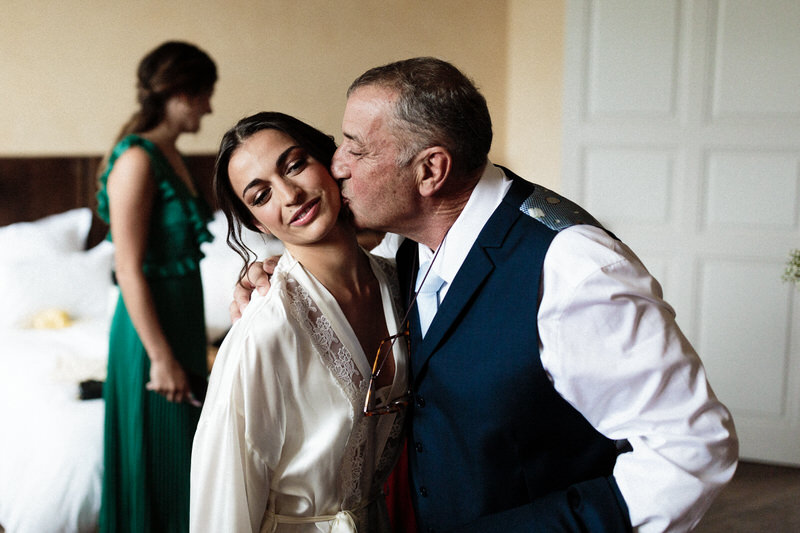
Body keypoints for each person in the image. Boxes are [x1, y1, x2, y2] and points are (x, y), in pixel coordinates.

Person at [234, 57, 739, 532]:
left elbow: (694, 449)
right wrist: (279, 275)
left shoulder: (572, 271)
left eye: (355, 148)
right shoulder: (412, 241)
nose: (336, 164)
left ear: (430, 171)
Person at [189, 112, 408, 533]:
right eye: (261, 195)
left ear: (330, 161)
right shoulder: (264, 331)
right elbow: (222, 511)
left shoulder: (401, 283)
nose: (290, 195)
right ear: (257, 222)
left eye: (294, 165)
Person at [96, 41, 217, 532]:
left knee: (184, 461)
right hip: (151, 335)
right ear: (181, 93)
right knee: (157, 461)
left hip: (182, 324)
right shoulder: (137, 159)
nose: (209, 108)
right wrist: (161, 358)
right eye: (205, 95)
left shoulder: (173, 155)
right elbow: (127, 269)